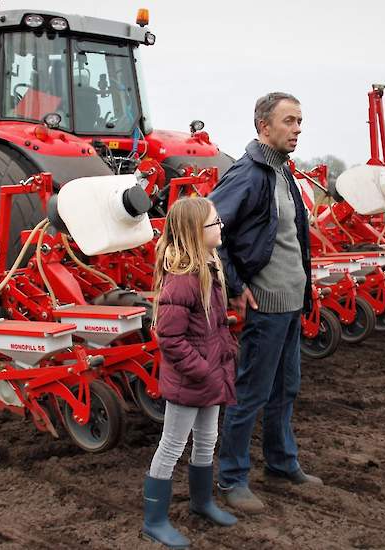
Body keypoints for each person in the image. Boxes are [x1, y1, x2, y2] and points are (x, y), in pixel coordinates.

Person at [209, 92, 318, 515]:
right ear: (263, 127)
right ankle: (232, 477)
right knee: (251, 393)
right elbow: (209, 228)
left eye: (299, 121)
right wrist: (235, 285)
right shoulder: (249, 175)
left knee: (286, 388)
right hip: (266, 305)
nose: (297, 129)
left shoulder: (283, 173)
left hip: (292, 303)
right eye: (289, 121)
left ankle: (281, 462)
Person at [142, 197, 239, 548]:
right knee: (171, 446)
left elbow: (210, 327)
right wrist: (203, 371)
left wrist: (225, 352)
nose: (221, 227)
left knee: (207, 441)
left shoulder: (209, 269)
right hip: (190, 379)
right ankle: (154, 521)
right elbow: (169, 337)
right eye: (215, 223)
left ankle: (202, 503)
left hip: (210, 375)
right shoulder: (182, 280)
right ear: (196, 232)